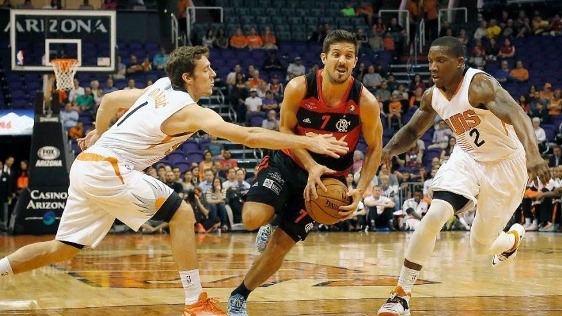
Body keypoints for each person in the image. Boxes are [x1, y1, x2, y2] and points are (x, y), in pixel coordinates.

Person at [0, 46, 348, 316]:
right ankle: (195, 301)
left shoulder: (158, 87)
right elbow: (248, 135)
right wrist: (308, 141)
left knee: (63, 248)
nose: (214, 73)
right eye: (206, 70)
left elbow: (108, 101)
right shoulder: (188, 109)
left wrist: (96, 135)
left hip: (89, 165)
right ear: (187, 77)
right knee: (182, 214)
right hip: (108, 168)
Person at [376, 36, 550, 316]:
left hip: (505, 165)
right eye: (430, 61)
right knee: (435, 215)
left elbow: (517, 114)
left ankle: (511, 241)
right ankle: (401, 295)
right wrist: (388, 149)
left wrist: (533, 154)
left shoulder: (479, 85)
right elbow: (411, 131)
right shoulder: (432, 96)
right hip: (467, 157)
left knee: (480, 245)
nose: (433, 67)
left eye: (441, 60)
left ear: (459, 63)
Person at [226, 30, 383, 315]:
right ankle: (270, 218)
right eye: (336, 54)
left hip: (329, 178)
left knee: (280, 246)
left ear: (355, 61)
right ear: (324, 58)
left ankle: (240, 296)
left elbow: (375, 147)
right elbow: (284, 129)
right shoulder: (299, 87)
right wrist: (311, 165)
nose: (342, 60)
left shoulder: (365, 102)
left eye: (348, 55)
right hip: (289, 162)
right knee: (251, 219)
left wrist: (360, 189)